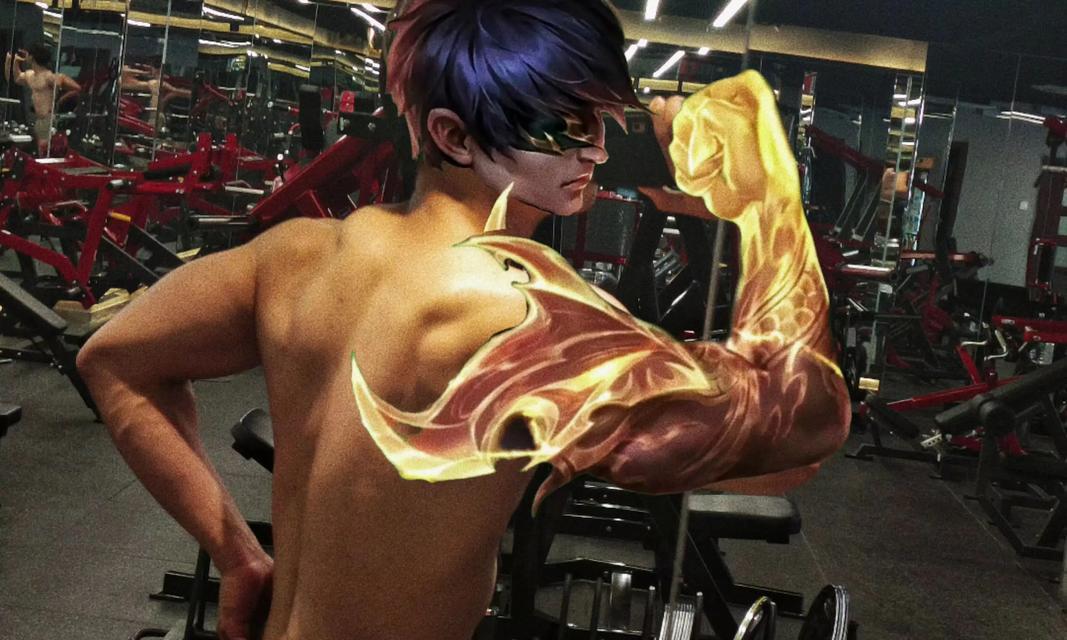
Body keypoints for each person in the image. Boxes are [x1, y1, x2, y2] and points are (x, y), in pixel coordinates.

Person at [76, 2, 850, 639]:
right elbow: (801, 430)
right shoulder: (517, 317)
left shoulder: (300, 255)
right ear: (451, 134)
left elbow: (112, 360)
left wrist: (239, 557)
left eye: (596, 119)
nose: (594, 150)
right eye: (563, 124)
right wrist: (769, 200)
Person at [4, 44, 80, 156]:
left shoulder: (48, 77)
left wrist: (62, 99)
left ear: (32, 57)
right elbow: (15, 78)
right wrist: (14, 61)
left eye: (28, 54)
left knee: (43, 150)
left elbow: (77, 89)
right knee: (38, 150)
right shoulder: (30, 75)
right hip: (37, 119)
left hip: (48, 119)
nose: (26, 56)